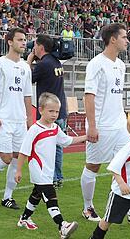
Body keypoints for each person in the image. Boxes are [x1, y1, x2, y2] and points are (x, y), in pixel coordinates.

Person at [15, 92, 86, 238]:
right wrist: (18, 171)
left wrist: (86, 137)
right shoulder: (34, 130)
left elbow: (66, 141)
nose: (54, 114)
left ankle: (24, 219)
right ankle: (62, 226)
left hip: (48, 171)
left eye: (57, 111)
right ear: (41, 110)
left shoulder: (54, 128)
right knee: (50, 196)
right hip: (38, 170)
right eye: (51, 111)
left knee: (36, 195)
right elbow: (23, 151)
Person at [81, 23, 130, 221]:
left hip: (119, 126)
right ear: (113, 39)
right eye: (124, 37)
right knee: (94, 166)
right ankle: (87, 207)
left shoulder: (121, 65)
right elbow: (89, 96)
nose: (127, 41)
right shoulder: (96, 64)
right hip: (101, 126)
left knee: (128, 163)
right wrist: (92, 126)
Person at [0, 28, 33, 209]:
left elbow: (27, 95)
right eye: (20, 39)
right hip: (3, 119)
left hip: (20, 120)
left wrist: (29, 118)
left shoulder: (26, 67)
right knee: (6, 157)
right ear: (9, 42)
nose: (23, 43)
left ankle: (7, 197)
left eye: (25, 40)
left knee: (18, 157)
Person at [27, 35, 67, 189]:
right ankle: (57, 177)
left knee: (46, 146)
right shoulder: (56, 62)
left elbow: (27, 79)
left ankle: (51, 176)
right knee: (58, 147)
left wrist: (29, 60)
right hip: (60, 111)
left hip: (48, 114)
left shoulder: (43, 64)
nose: (33, 48)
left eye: (35, 45)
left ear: (41, 47)